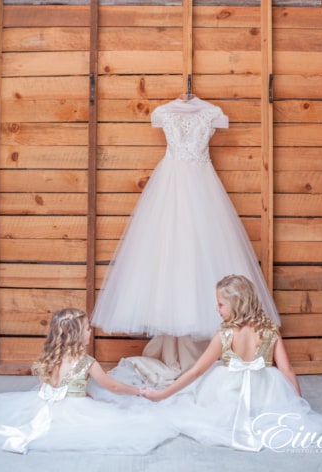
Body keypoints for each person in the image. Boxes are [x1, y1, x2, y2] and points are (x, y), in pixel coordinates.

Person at [91, 96, 280, 378]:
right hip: (170, 190)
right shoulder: (163, 113)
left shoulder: (212, 114)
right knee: (169, 254)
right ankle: (178, 349)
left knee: (200, 254)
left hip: (203, 193)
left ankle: (197, 353)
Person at [144, 275, 322, 452]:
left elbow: (196, 372)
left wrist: (163, 394)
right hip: (265, 393)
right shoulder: (269, 330)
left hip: (229, 395)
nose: (216, 309)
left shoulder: (224, 334)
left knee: (196, 403)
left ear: (237, 304)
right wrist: (299, 406)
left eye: (221, 304)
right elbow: (286, 370)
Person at [0, 308, 177, 455]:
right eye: (87, 328)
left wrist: (77, 391)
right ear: (76, 335)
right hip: (74, 410)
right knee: (118, 425)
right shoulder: (87, 362)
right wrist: (139, 391)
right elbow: (112, 386)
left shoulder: (49, 358)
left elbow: (44, 387)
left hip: (43, 405)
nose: (90, 331)